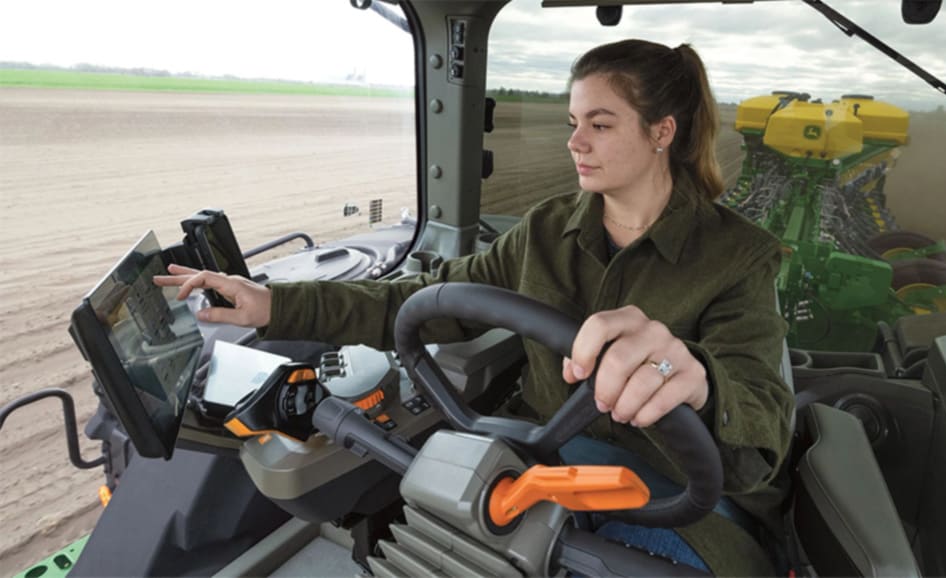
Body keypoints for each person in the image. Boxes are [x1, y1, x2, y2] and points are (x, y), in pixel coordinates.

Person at [156, 39, 792, 575]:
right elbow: (414, 303)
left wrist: (700, 383)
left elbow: (761, 427)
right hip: (541, 470)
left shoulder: (738, 257)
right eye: (573, 123)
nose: (576, 142)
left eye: (599, 124)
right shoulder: (544, 232)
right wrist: (272, 305)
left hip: (677, 493)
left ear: (662, 132)